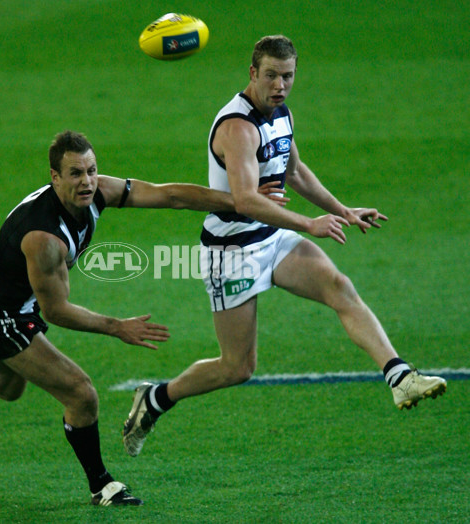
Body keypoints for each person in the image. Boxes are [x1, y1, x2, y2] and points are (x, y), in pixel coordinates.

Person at [0, 130, 282, 506]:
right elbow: (57, 309)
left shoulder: (96, 192)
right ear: (54, 176)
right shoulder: (43, 237)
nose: (86, 181)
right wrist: (116, 326)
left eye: (91, 170)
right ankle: (101, 485)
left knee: (2, 385)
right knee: (81, 393)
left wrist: (241, 201)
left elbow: (168, 195)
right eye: (74, 174)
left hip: (11, 306)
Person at [122, 35, 447, 458]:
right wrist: (309, 223)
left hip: (271, 237)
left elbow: (295, 172)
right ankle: (156, 399)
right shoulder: (237, 127)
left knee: (339, 287)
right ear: (253, 73)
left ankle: (399, 376)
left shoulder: (280, 113)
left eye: (288, 76)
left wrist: (342, 209)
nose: (280, 85)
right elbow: (244, 200)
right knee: (237, 367)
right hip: (232, 251)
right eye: (271, 75)